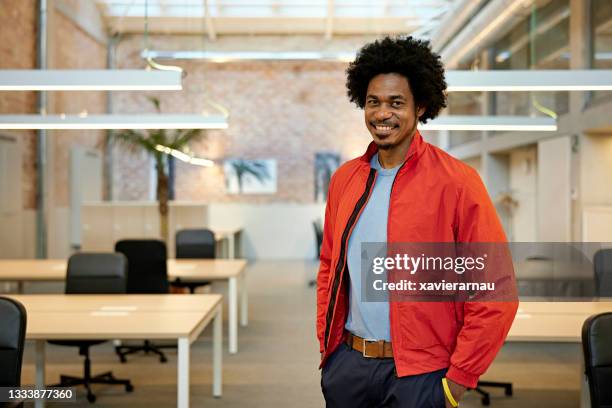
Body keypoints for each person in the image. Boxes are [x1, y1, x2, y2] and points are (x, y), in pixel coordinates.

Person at [316, 36, 518, 408]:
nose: (382, 114)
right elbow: (330, 265)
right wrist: (330, 353)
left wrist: (457, 380)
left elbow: (496, 288)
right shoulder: (345, 180)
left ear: (420, 105)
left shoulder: (457, 182)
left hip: (422, 377)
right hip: (349, 367)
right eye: (374, 102)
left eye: (396, 103)